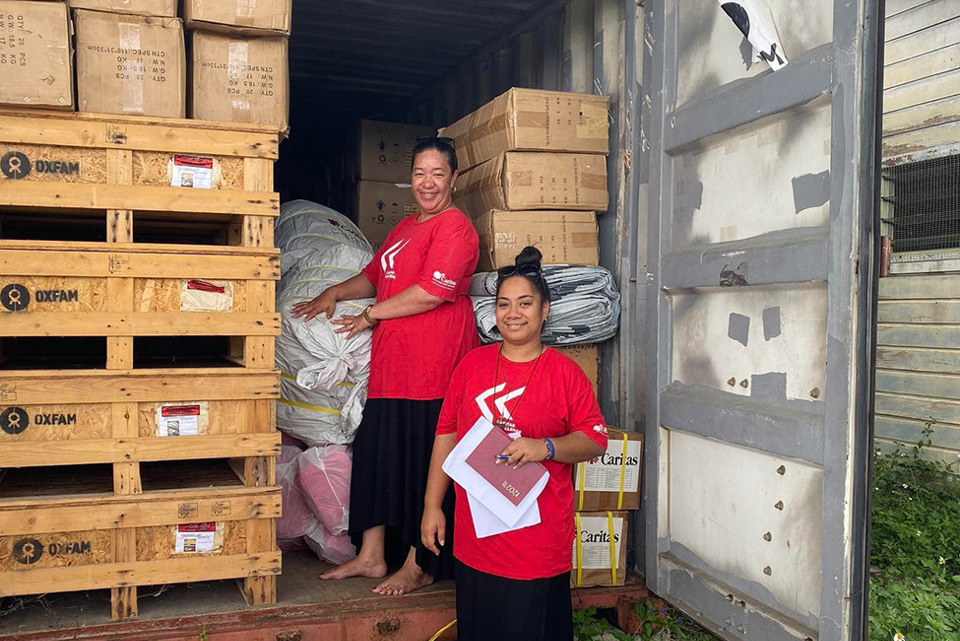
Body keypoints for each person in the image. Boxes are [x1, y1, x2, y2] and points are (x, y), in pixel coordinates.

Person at [291, 137, 478, 595]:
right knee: (377, 455)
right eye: (419, 173)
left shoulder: (456, 230)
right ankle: (372, 556)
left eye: (437, 173)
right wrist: (335, 292)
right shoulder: (403, 228)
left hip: (434, 367)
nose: (427, 183)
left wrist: (371, 314)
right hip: (393, 367)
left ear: (454, 178)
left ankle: (418, 563)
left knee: (421, 464)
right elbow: (375, 276)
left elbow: (432, 293)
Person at [421, 247, 608, 641]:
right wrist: (432, 506)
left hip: (536, 545)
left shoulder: (565, 374)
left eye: (525, 303)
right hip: (475, 539)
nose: (513, 313)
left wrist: (546, 448)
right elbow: (447, 434)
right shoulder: (471, 365)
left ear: (545, 310)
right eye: (503, 304)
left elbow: (594, 440)